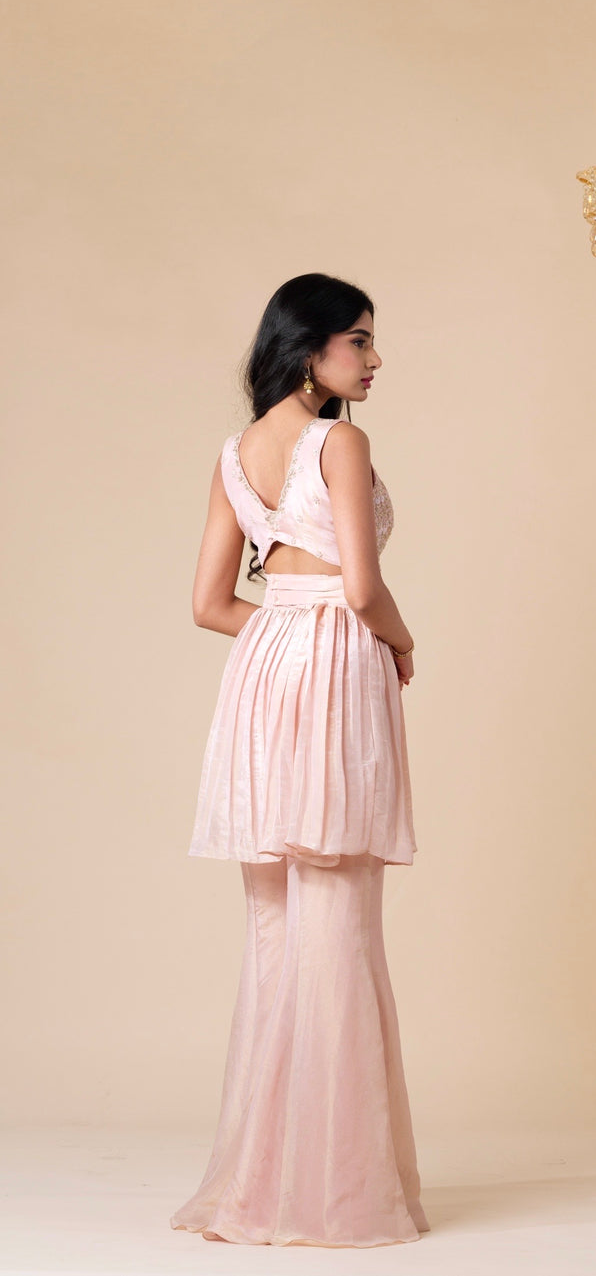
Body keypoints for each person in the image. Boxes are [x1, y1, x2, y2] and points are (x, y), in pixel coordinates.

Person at [169, 273, 429, 1248]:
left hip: (265, 663)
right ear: (310, 345)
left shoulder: (238, 454)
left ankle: (260, 1185)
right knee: (338, 918)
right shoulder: (340, 442)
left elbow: (208, 604)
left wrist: (283, 624)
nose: (372, 360)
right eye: (357, 341)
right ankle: (337, 1194)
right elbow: (363, 588)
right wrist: (398, 645)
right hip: (333, 666)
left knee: (278, 923)